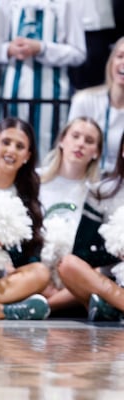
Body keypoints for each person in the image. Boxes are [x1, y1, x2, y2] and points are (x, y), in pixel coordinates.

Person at [0, 0, 86, 161]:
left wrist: (42, 48)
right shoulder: (6, 3)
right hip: (13, 91)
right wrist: (9, 49)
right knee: (11, 143)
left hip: (52, 93)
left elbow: (78, 53)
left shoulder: (67, 3)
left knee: (47, 150)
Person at [0, 117, 49, 320]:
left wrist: (7, 250)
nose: (11, 150)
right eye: (6, 142)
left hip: (0, 280)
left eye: (20, 146)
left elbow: (30, 254)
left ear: (27, 156)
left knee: (40, 272)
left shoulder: (26, 196)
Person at [56, 132, 124, 321]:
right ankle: (115, 306)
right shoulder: (103, 192)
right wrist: (114, 251)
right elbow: (81, 253)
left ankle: (110, 309)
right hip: (113, 279)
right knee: (68, 264)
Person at [38, 117, 103, 314]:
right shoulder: (35, 179)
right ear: (62, 141)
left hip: (75, 273)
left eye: (89, 141)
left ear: (96, 153)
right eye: (75, 136)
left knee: (101, 274)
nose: (81, 143)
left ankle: (43, 306)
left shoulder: (99, 193)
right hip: (39, 270)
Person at [67, 37, 124, 172]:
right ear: (111, 61)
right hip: (85, 180)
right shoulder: (84, 100)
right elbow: (70, 150)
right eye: (120, 56)